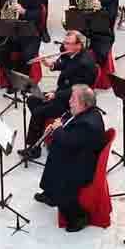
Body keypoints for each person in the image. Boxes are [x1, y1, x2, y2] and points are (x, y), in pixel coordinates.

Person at [34, 84, 106, 232]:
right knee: (53, 152)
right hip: (79, 153)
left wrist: (57, 129)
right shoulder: (87, 113)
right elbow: (70, 125)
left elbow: (68, 141)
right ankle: (50, 194)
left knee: (58, 163)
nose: (70, 102)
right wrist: (57, 126)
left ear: (84, 104)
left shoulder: (88, 124)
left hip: (82, 166)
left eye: (73, 99)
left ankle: (78, 217)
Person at [19, 30, 97, 159]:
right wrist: (50, 64)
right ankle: (42, 130)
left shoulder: (85, 64)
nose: (64, 46)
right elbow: (64, 64)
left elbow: (79, 89)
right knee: (32, 99)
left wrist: (56, 95)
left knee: (39, 112)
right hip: (62, 92)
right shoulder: (71, 53)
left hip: (73, 101)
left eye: (68, 43)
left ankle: (34, 148)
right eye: (65, 42)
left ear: (79, 45)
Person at [80, 0, 120, 65]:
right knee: (67, 49)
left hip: (103, 35)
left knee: (98, 57)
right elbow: (79, 13)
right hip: (85, 31)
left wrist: (100, 8)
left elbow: (111, 18)